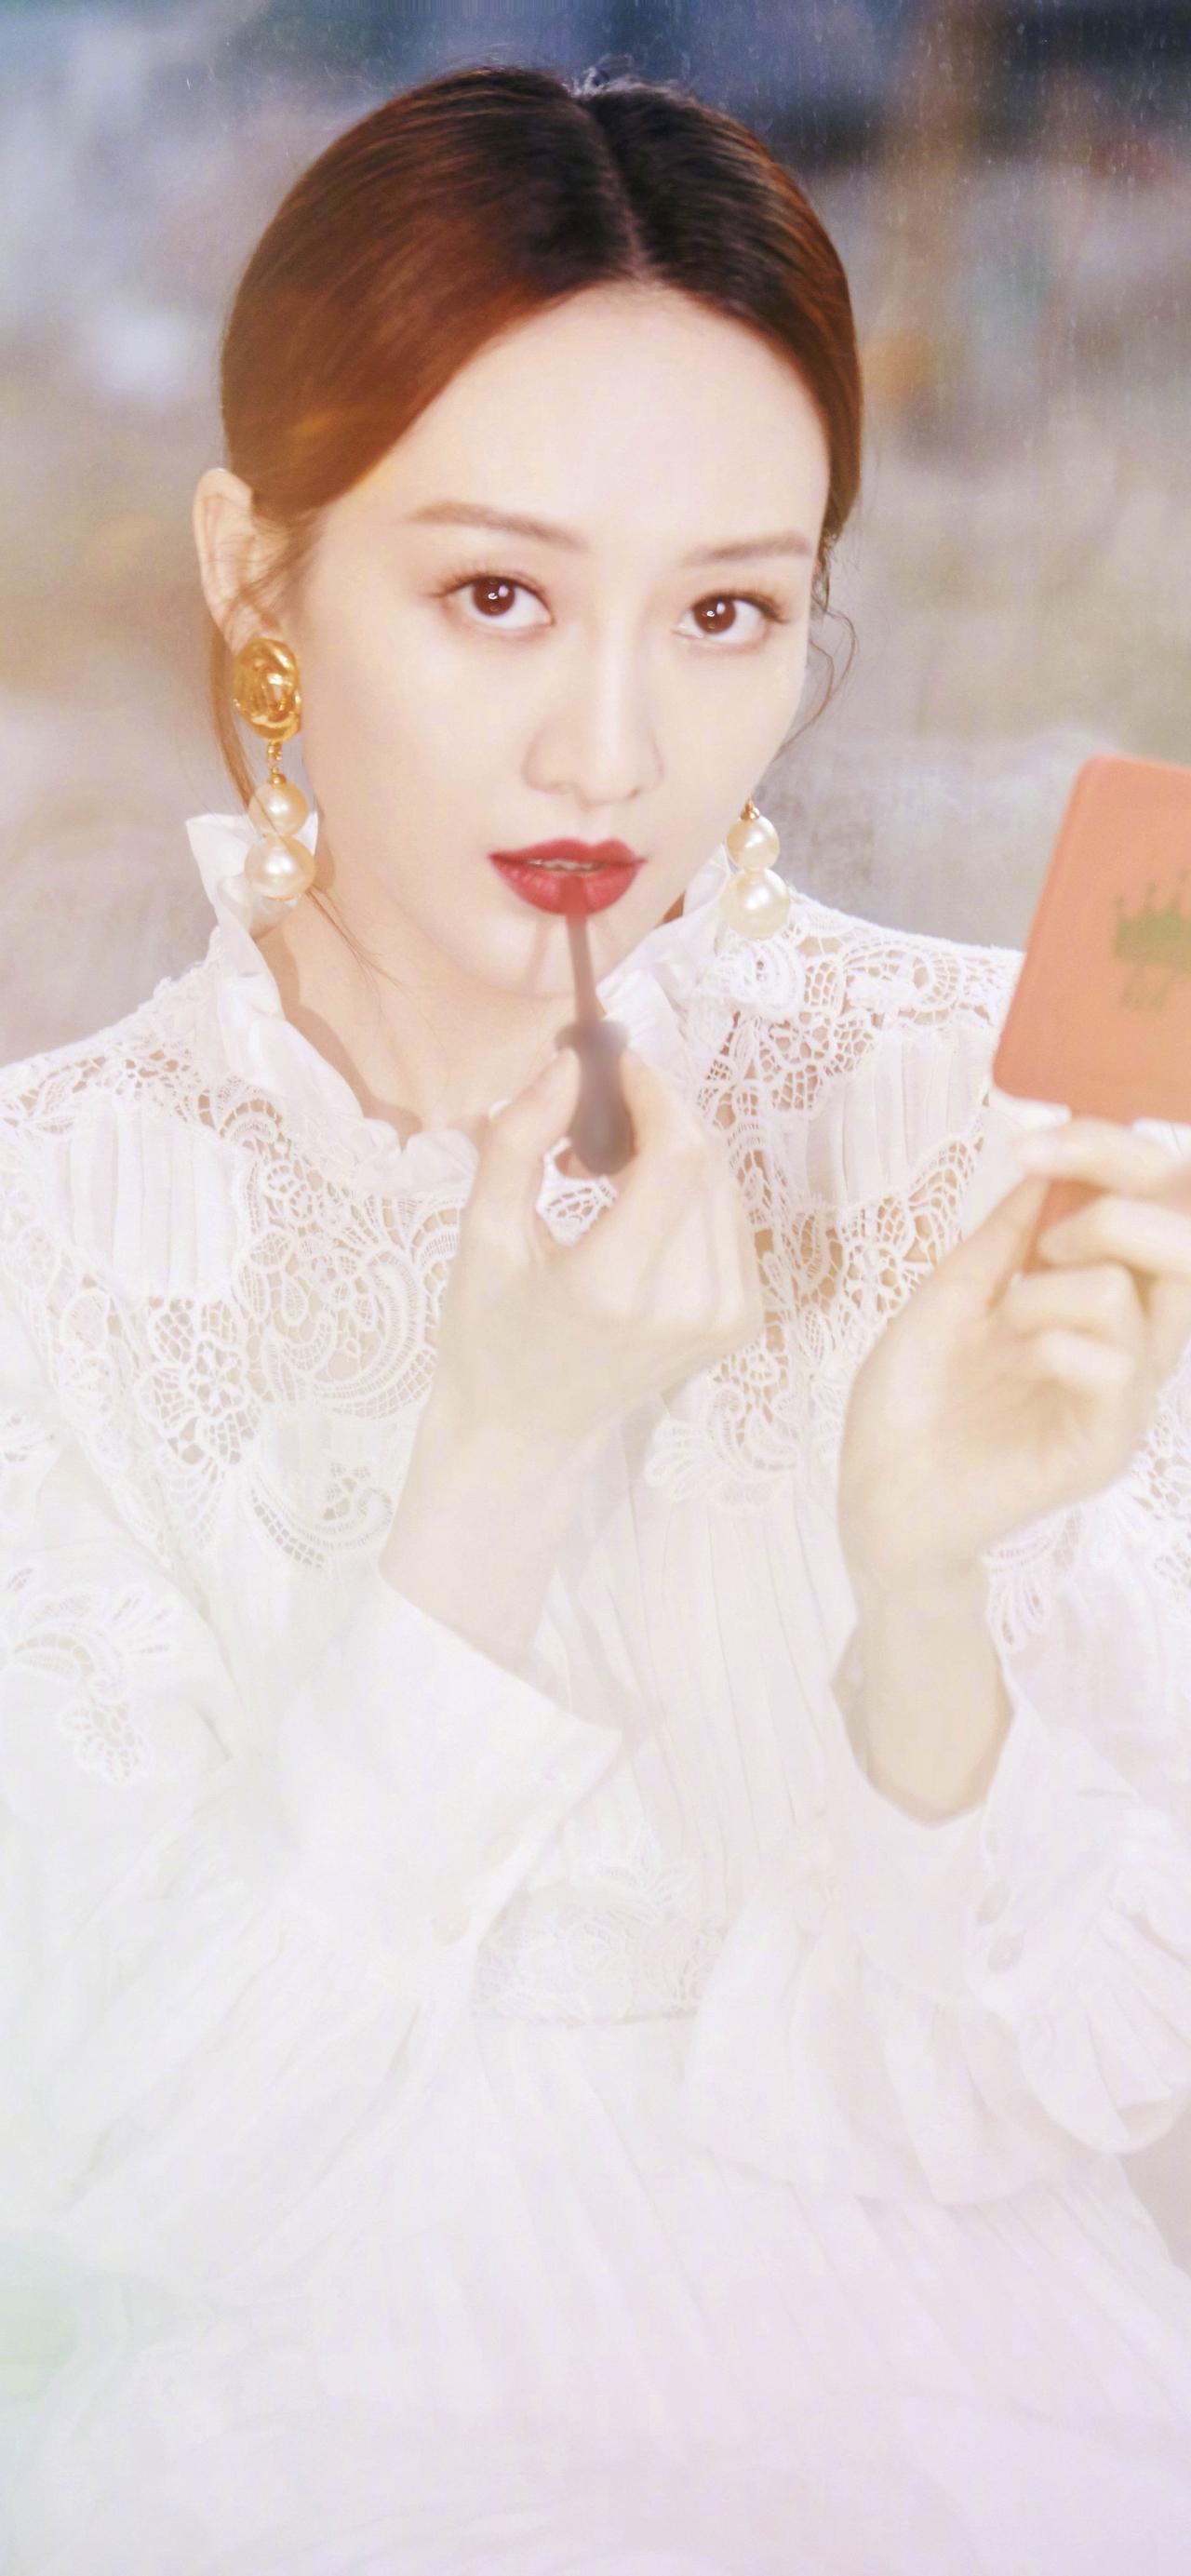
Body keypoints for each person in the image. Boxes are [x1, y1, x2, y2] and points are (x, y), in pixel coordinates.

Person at [3, 60, 1191, 2576]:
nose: (618, 748)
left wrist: (921, 1587)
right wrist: (499, 1466)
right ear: (253, 573)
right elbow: (104, 2190)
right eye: (497, 595)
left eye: (728, 610)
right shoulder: (55, 1222)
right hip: (294, 2457)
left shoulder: (985, 1126)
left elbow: (1066, 2089)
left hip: (974, 2434)